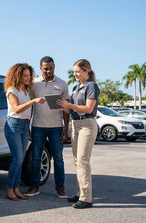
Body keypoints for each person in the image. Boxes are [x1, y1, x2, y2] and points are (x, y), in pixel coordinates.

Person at [56, 59, 100, 209]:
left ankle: (86, 199)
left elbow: (88, 108)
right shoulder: (75, 87)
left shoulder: (91, 86)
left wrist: (69, 105)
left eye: (78, 71)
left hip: (87, 124)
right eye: (74, 71)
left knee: (82, 160)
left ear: (86, 71)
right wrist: (63, 107)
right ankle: (81, 193)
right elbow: (72, 109)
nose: (75, 74)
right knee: (77, 160)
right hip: (75, 124)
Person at [26, 56, 69, 198]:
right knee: (36, 158)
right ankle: (34, 187)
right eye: (46, 69)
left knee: (58, 159)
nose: (49, 71)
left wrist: (66, 128)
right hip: (38, 126)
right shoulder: (34, 84)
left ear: (54, 67)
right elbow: (30, 106)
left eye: (51, 68)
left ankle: (60, 188)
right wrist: (29, 126)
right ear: (40, 68)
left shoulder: (62, 84)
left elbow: (66, 109)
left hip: (56, 127)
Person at [4, 63, 45, 201]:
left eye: (29, 75)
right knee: (16, 159)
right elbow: (16, 109)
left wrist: (28, 128)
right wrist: (33, 101)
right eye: (25, 76)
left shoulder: (26, 90)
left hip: (23, 126)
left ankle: (16, 189)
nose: (28, 78)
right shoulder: (12, 90)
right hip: (13, 125)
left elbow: (27, 113)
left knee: (21, 159)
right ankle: (9, 189)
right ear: (17, 76)